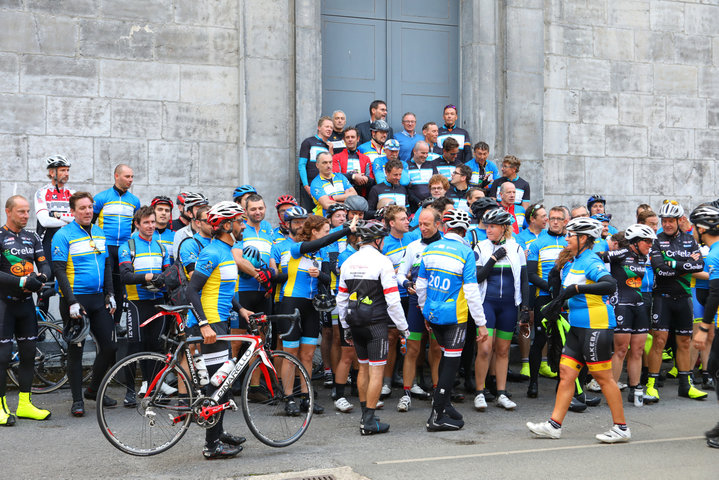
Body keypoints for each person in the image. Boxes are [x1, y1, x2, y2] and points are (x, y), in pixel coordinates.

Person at [527, 217, 629, 443]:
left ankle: (621, 428)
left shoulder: (591, 261)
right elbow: (568, 294)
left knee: (603, 378)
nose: (566, 238)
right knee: (566, 374)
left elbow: (609, 284)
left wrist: (575, 288)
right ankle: (554, 425)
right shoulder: (573, 261)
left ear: (583, 238)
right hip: (577, 326)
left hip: (596, 325)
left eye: (570, 235)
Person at [186, 201, 251, 459]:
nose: (243, 225)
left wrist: (241, 309)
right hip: (211, 324)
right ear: (227, 225)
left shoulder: (227, 250)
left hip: (221, 321)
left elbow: (223, 289)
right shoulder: (212, 252)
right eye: (240, 221)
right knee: (217, 386)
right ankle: (212, 446)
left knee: (221, 383)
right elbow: (192, 289)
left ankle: (219, 431)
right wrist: (203, 324)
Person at [417, 209, 489, 431]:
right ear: (465, 230)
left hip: (433, 313)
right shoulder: (465, 252)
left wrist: (424, 311)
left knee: (445, 358)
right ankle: (436, 415)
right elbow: (471, 290)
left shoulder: (429, 248)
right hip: (455, 317)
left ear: (445, 227)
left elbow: (421, 285)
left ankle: (445, 405)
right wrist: (481, 323)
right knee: (451, 363)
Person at [278, 215, 356, 416]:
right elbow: (324, 241)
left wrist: (317, 275)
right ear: (314, 231)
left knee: (308, 354)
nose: (327, 234)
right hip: (292, 302)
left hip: (311, 305)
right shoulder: (297, 247)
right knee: (291, 353)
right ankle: (288, 398)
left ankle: (306, 397)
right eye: (325, 230)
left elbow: (325, 278)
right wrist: (347, 229)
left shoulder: (320, 253)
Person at [336, 220, 408, 434]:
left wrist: (345, 326)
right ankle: (368, 421)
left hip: (354, 322)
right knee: (377, 370)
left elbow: (341, 298)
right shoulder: (382, 261)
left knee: (363, 367)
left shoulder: (349, 261)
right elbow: (393, 300)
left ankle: (366, 415)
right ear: (378, 240)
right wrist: (404, 328)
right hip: (376, 323)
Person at [53, 191, 117, 417]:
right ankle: (77, 400)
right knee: (76, 351)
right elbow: (59, 271)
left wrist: (110, 293)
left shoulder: (100, 232)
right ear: (73, 211)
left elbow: (107, 265)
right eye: (82, 208)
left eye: (90, 207)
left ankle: (93, 390)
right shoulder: (63, 235)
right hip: (75, 301)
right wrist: (71, 301)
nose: (88, 211)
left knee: (109, 347)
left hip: (99, 299)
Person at [645, 200, 707, 402]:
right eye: (664, 220)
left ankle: (685, 385)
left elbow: (698, 265)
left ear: (679, 220)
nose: (667, 224)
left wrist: (673, 264)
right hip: (662, 297)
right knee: (659, 342)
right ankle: (652, 385)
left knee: (684, 342)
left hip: (684, 298)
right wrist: (683, 265)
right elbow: (659, 269)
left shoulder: (690, 240)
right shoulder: (656, 240)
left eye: (671, 220)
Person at [0, 195, 52, 425]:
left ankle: (24, 404)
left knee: (29, 354)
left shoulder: (32, 237)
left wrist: (42, 277)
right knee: (2, 358)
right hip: (4, 305)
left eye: (28, 211)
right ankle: (1, 407)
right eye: (21, 212)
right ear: (8, 211)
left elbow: (45, 263)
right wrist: (22, 282)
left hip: (26, 306)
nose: (26, 216)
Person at [473, 208, 530, 411]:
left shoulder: (516, 248)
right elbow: (477, 277)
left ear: (504, 228)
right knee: (485, 349)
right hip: (487, 303)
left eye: (493, 226)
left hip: (508, 305)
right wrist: (494, 258)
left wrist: (525, 308)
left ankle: (501, 392)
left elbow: (524, 280)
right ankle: (479, 392)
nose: (488, 229)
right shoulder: (481, 247)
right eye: (487, 226)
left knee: (503, 350)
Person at [118, 206, 172, 406]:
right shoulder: (128, 246)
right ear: (137, 224)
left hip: (157, 302)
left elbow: (168, 275)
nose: (151, 226)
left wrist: (163, 280)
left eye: (153, 222)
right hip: (136, 303)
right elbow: (125, 276)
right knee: (135, 347)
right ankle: (130, 391)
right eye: (146, 223)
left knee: (155, 347)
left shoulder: (162, 247)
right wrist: (148, 276)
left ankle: (152, 389)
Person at [601, 224, 655, 405]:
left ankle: (635, 389)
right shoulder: (622, 253)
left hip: (639, 304)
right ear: (635, 242)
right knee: (621, 350)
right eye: (647, 241)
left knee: (638, 350)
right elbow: (597, 257)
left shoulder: (643, 256)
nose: (650, 245)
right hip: (621, 305)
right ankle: (612, 389)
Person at [396, 207, 444, 412]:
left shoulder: (446, 246)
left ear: (438, 224)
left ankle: (437, 392)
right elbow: (399, 274)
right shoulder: (413, 246)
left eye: (427, 224)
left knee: (436, 350)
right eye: (420, 224)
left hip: (438, 305)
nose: (422, 228)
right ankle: (406, 393)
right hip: (416, 304)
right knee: (412, 349)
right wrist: (406, 285)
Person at [92, 164, 141, 329]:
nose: (130, 180)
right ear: (116, 176)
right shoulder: (101, 197)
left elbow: (135, 225)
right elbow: (90, 222)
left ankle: (116, 322)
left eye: (132, 177)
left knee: (120, 286)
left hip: (123, 248)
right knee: (106, 284)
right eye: (127, 176)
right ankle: (103, 320)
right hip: (106, 247)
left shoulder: (134, 201)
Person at [526, 206, 568, 398]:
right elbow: (531, 274)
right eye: (552, 218)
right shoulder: (537, 243)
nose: (556, 222)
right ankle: (533, 383)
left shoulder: (570, 244)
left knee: (564, 340)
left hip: (565, 297)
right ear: (548, 221)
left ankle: (563, 383)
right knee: (541, 339)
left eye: (559, 219)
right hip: (544, 296)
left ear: (566, 221)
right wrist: (551, 288)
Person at [687, 205, 719, 448]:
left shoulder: (715, 254)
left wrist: (705, 326)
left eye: (693, 227)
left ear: (701, 229)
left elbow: (715, 292)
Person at [380, 206, 420, 399]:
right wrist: (396, 274)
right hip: (393, 295)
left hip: (412, 294)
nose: (407, 222)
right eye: (403, 219)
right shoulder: (385, 243)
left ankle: (411, 381)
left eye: (407, 218)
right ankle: (387, 382)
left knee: (412, 339)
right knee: (392, 338)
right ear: (391, 223)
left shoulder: (413, 239)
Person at [34, 155, 75, 283]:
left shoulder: (73, 194)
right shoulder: (41, 192)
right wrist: (67, 219)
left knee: (68, 282)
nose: (66, 173)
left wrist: (57, 215)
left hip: (69, 240)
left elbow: (77, 219)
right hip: (48, 240)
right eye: (62, 170)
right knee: (46, 283)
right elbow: (44, 221)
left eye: (67, 170)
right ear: (52, 172)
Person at [298, 116, 333, 210]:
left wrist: (331, 151)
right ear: (319, 127)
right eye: (327, 126)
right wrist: (306, 186)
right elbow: (301, 165)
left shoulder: (331, 145)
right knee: (310, 216)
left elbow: (331, 167)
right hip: (310, 185)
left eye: (331, 127)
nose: (329, 129)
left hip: (325, 186)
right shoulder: (308, 142)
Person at [309, 152, 357, 216]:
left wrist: (332, 198)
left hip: (343, 217)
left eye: (330, 162)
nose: (328, 165)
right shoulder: (316, 183)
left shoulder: (340, 177)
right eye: (325, 163)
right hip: (324, 219)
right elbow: (326, 205)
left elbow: (354, 195)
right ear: (317, 165)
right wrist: (346, 200)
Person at [332, 126, 374, 197]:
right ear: (344, 140)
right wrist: (353, 176)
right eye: (347, 137)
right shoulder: (336, 157)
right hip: (343, 195)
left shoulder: (365, 158)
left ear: (358, 139)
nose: (350, 139)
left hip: (361, 195)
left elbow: (371, 179)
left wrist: (364, 179)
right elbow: (336, 176)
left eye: (352, 137)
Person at [172, 192, 209, 259]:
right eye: (198, 209)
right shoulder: (181, 234)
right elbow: (179, 260)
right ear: (190, 213)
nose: (202, 212)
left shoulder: (213, 232)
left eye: (204, 208)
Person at [407, 141, 438, 209]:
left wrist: (429, 201)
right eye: (423, 153)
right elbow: (407, 188)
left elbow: (436, 184)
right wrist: (417, 201)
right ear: (414, 151)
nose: (425, 156)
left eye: (427, 153)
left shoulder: (431, 165)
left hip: (430, 204)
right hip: (413, 205)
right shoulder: (406, 165)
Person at [151, 196, 175, 261]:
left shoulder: (177, 236)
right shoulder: (139, 235)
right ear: (152, 211)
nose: (164, 213)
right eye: (160, 209)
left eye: (167, 210)